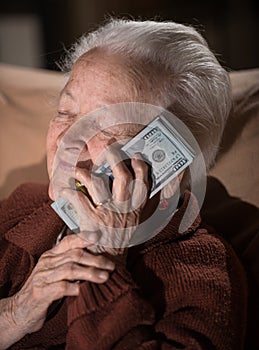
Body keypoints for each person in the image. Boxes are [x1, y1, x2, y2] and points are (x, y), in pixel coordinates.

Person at [0, 19, 247, 349]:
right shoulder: (22, 206)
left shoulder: (202, 269)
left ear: (168, 165)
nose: (67, 141)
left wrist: (105, 258)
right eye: (65, 111)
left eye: (107, 128)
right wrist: (14, 314)